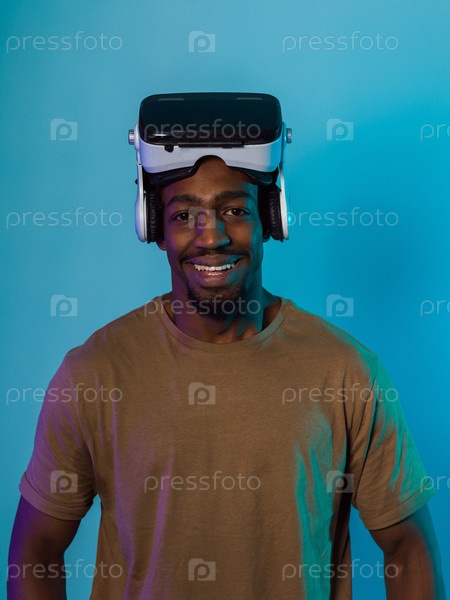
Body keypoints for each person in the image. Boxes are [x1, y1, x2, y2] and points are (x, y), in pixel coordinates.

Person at [8, 93, 445, 600]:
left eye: (234, 210)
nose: (210, 236)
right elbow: (36, 549)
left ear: (270, 220)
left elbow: (408, 550)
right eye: (183, 215)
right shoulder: (93, 374)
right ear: (154, 228)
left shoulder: (348, 371)